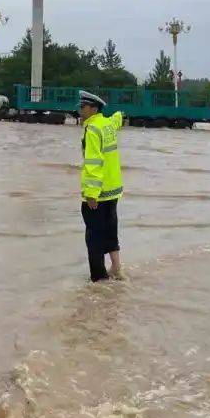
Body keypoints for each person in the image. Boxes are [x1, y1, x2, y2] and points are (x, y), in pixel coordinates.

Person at [78, 90, 124, 282]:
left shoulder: (93, 130)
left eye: (83, 107)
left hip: (98, 194)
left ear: (93, 108)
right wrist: (119, 115)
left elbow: (93, 164)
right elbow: (116, 119)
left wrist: (91, 194)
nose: (80, 110)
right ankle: (117, 268)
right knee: (110, 230)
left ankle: (99, 279)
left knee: (94, 238)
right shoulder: (107, 124)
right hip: (113, 191)